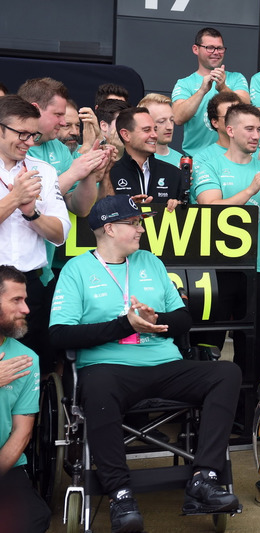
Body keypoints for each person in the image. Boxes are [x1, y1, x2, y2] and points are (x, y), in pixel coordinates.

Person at [49, 195, 242, 533]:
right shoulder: (76, 269)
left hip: (164, 363)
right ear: (109, 228)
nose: (141, 229)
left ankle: (204, 478)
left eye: (140, 222)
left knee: (226, 372)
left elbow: (184, 320)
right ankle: (121, 494)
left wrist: (156, 320)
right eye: (133, 223)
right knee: (96, 386)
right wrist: (125, 325)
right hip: (109, 368)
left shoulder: (150, 262)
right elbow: (60, 335)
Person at [193, 103, 260, 377]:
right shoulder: (209, 163)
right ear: (230, 130)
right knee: (209, 343)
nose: (256, 135)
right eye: (249, 129)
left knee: (252, 347)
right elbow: (210, 207)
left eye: (258, 129)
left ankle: (248, 411)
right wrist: (252, 189)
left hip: (256, 269)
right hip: (216, 270)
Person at [0, 95, 71, 374]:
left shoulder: (43, 171)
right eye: (22, 134)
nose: (29, 142)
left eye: (33, 135)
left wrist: (32, 213)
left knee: (31, 365)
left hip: (30, 285)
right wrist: (15, 198)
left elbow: (59, 233)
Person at [0, 266, 51, 533]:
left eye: (26, 300)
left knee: (32, 519)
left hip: (4, 466)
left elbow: (22, 432)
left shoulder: (26, 359)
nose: (27, 309)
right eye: (16, 300)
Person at [18, 77, 111, 217]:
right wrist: (73, 173)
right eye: (58, 115)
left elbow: (81, 209)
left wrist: (89, 171)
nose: (62, 122)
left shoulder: (57, 146)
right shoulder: (8, 146)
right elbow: (31, 201)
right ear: (34, 109)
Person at [172, 27, 250, 156]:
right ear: (195, 49)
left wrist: (223, 88)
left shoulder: (236, 78)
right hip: (196, 158)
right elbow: (178, 118)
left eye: (219, 48)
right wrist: (202, 91)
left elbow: (248, 108)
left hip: (232, 157)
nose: (216, 52)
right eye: (210, 48)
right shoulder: (184, 83)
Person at [103, 107, 186, 211]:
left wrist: (178, 208)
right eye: (147, 130)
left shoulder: (174, 174)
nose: (155, 135)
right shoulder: (111, 172)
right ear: (126, 135)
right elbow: (102, 213)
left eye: (155, 129)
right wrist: (128, 207)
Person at [138, 93, 183, 168]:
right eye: (161, 121)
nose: (170, 127)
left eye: (171, 120)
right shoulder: (136, 160)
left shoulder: (181, 160)